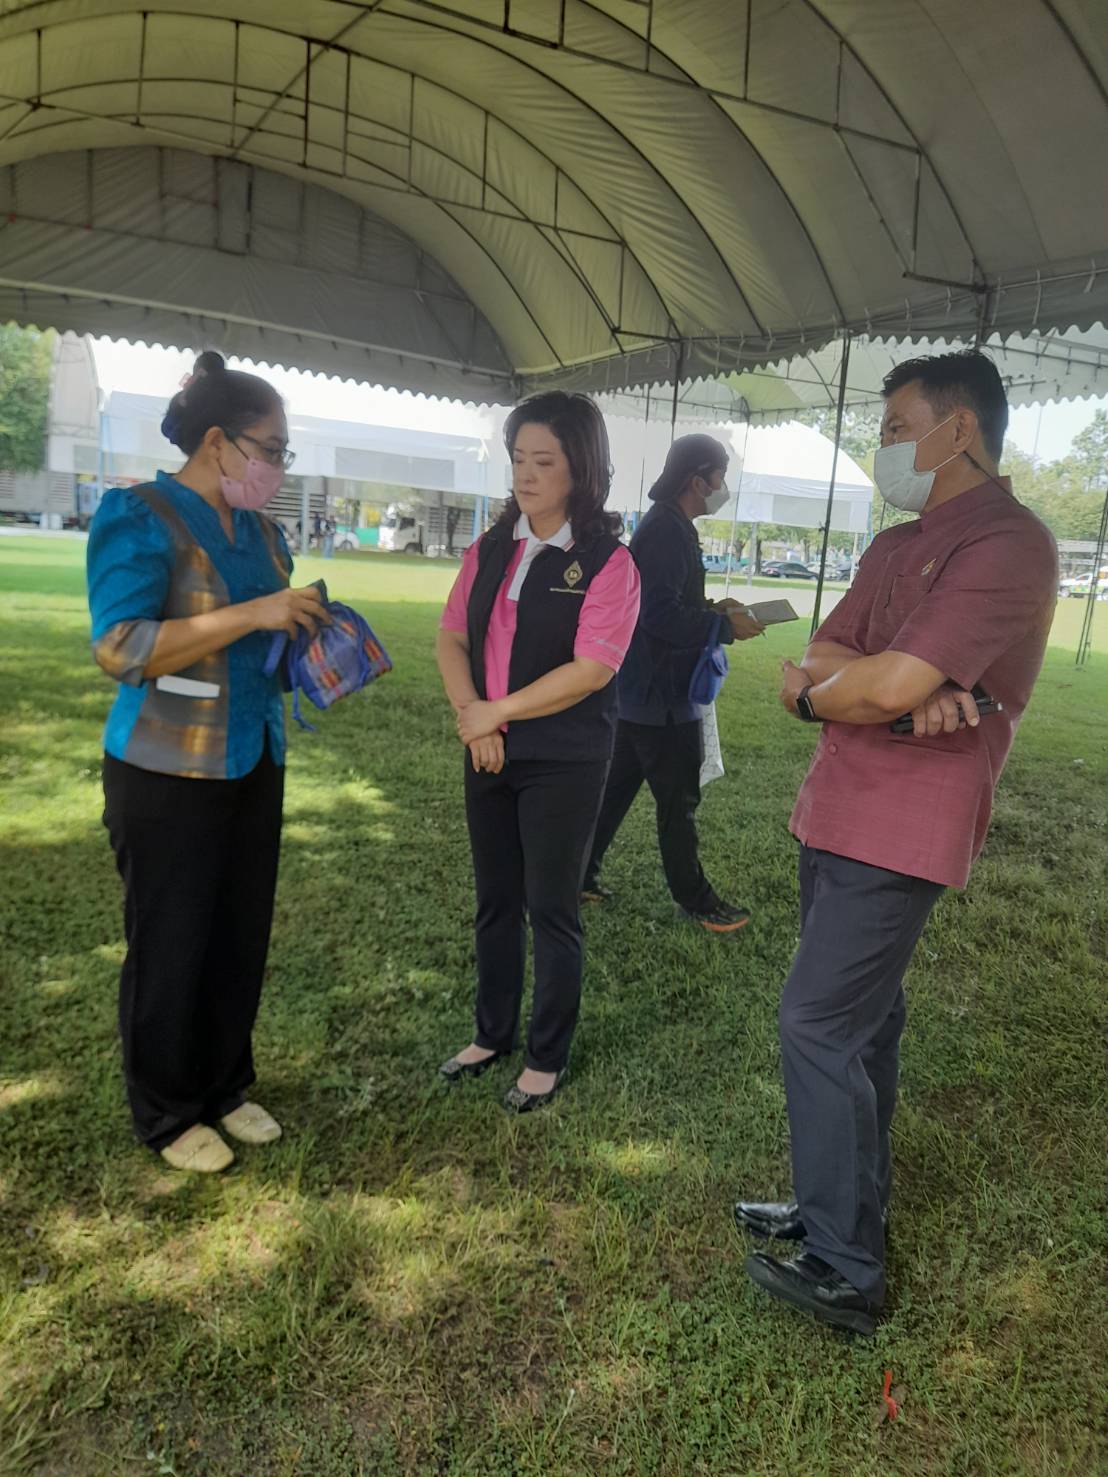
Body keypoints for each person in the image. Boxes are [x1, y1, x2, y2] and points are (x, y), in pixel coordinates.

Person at [733, 350, 1058, 1334]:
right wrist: (861, 686)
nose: (882, 449)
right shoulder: (895, 543)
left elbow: (865, 682)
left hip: (901, 829)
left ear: (957, 429)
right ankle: (834, 1207)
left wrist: (856, 686)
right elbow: (833, 661)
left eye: (892, 428)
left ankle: (846, 1267)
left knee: (816, 1025)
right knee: (861, 1029)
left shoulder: (1007, 544)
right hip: (834, 806)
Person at [87, 351, 328, 1173]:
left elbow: (265, 630)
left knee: (238, 933)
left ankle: (226, 1085)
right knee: (172, 938)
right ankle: (166, 1110)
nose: (277, 468)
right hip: (165, 771)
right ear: (219, 442)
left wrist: (310, 633)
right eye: (272, 449)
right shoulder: (141, 515)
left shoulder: (261, 530)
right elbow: (121, 647)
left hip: (254, 755)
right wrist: (252, 611)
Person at [436, 392, 641, 1112]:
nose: (526, 474)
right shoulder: (493, 546)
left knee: (550, 905)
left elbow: (593, 668)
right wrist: (477, 719)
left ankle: (545, 1054)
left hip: (564, 756)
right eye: (519, 458)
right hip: (488, 748)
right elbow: (453, 638)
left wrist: (501, 711)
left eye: (544, 461)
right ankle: (490, 1032)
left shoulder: (608, 563)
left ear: (580, 468)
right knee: (495, 900)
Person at [581, 434, 764, 933]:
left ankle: (576, 876)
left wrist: (713, 610)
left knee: (614, 793)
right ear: (696, 480)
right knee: (678, 804)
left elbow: (668, 601)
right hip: (661, 697)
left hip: (642, 694)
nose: (722, 489)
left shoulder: (672, 525)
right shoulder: (666, 531)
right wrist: (723, 627)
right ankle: (697, 899)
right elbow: (657, 616)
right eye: (720, 479)